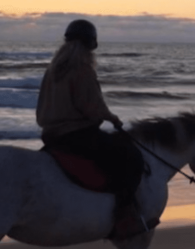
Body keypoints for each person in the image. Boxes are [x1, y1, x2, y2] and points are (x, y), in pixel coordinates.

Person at [36, 19, 146, 238]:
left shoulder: (53, 69)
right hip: (76, 135)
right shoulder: (82, 69)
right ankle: (125, 214)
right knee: (132, 157)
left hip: (51, 135)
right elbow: (92, 107)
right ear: (90, 45)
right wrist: (113, 119)